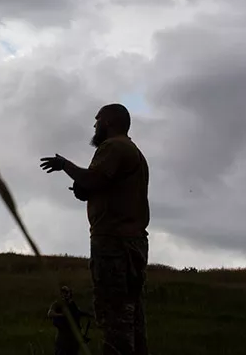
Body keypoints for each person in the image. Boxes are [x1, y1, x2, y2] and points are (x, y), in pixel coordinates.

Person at [40, 103, 150, 355]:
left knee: (114, 316)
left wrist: (64, 165)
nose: (94, 125)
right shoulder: (134, 151)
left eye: (97, 120)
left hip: (113, 243)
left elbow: (93, 179)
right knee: (132, 316)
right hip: (133, 242)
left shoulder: (112, 147)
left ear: (109, 122)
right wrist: (84, 190)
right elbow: (101, 186)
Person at [48, 285, 93, 355]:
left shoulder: (72, 304)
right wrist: (62, 315)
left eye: (67, 292)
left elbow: (77, 312)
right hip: (63, 335)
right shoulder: (57, 304)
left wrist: (88, 314)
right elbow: (50, 313)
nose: (66, 294)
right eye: (64, 292)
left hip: (73, 336)